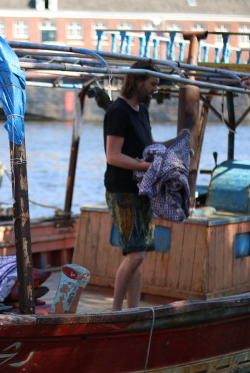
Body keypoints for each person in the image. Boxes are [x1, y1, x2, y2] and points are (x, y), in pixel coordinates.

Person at [103, 61, 159, 311]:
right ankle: (116, 311)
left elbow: (147, 148)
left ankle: (134, 310)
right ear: (137, 81)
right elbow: (113, 156)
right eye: (153, 83)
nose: (156, 88)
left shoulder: (142, 110)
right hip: (123, 190)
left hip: (143, 189)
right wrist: (149, 168)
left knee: (139, 255)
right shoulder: (118, 111)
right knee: (135, 253)